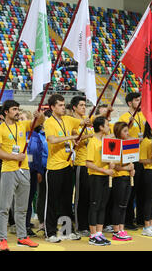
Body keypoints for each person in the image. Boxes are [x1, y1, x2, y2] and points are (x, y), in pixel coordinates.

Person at [0, 100, 44, 250]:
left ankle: (23, 237)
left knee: (22, 208)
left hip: (25, 171)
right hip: (9, 170)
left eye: (18, 109)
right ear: (6, 113)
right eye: (14, 109)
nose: (17, 112)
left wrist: (40, 116)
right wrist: (15, 157)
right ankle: (3, 239)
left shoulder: (22, 125)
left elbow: (38, 122)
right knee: (4, 207)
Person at [44, 94, 89, 243]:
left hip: (68, 165)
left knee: (65, 201)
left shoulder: (69, 120)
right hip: (54, 167)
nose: (63, 107)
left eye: (64, 105)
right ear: (52, 107)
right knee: (52, 201)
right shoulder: (49, 122)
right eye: (60, 105)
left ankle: (66, 230)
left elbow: (84, 122)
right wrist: (70, 138)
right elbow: (52, 139)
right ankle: (50, 232)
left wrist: (94, 117)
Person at [118, 92, 146, 230]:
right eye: (136, 100)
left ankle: (141, 218)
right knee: (131, 190)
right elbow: (121, 136)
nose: (139, 102)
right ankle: (128, 220)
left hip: (143, 157)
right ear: (129, 103)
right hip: (130, 156)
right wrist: (135, 140)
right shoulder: (124, 117)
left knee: (141, 190)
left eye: (140, 100)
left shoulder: (142, 115)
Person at [86, 116, 113, 246]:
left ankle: (99, 233)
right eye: (107, 125)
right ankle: (92, 235)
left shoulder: (106, 141)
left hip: (105, 176)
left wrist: (111, 164)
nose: (109, 127)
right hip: (96, 176)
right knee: (95, 205)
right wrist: (104, 170)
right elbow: (88, 163)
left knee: (103, 205)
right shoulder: (93, 142)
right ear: (101, 127)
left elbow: (109, 158)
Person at [70, 96, 94, 237]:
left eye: (85, 105)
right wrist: (91, 136)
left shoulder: (88, 121)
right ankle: (80, 225)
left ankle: (90, 225)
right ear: (74, 107)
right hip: (81, 163)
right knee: (80, 197)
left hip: (92, 164)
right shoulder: (73, 122)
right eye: (81, 105)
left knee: (91, 197)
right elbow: (76, 139)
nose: (84, 107)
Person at [110, 121, 135, 240]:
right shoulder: (114, 144)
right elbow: (114, 165)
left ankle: (121, 228)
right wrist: (126, 168)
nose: (127, 133)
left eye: (127, 130)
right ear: (118, 132)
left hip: (127, 178)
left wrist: (132, 169)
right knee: (118, 205)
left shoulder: (128, 144)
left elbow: (131, 161)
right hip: (118, 178)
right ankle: (115, 231)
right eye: (124, 131)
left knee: (124, 205)